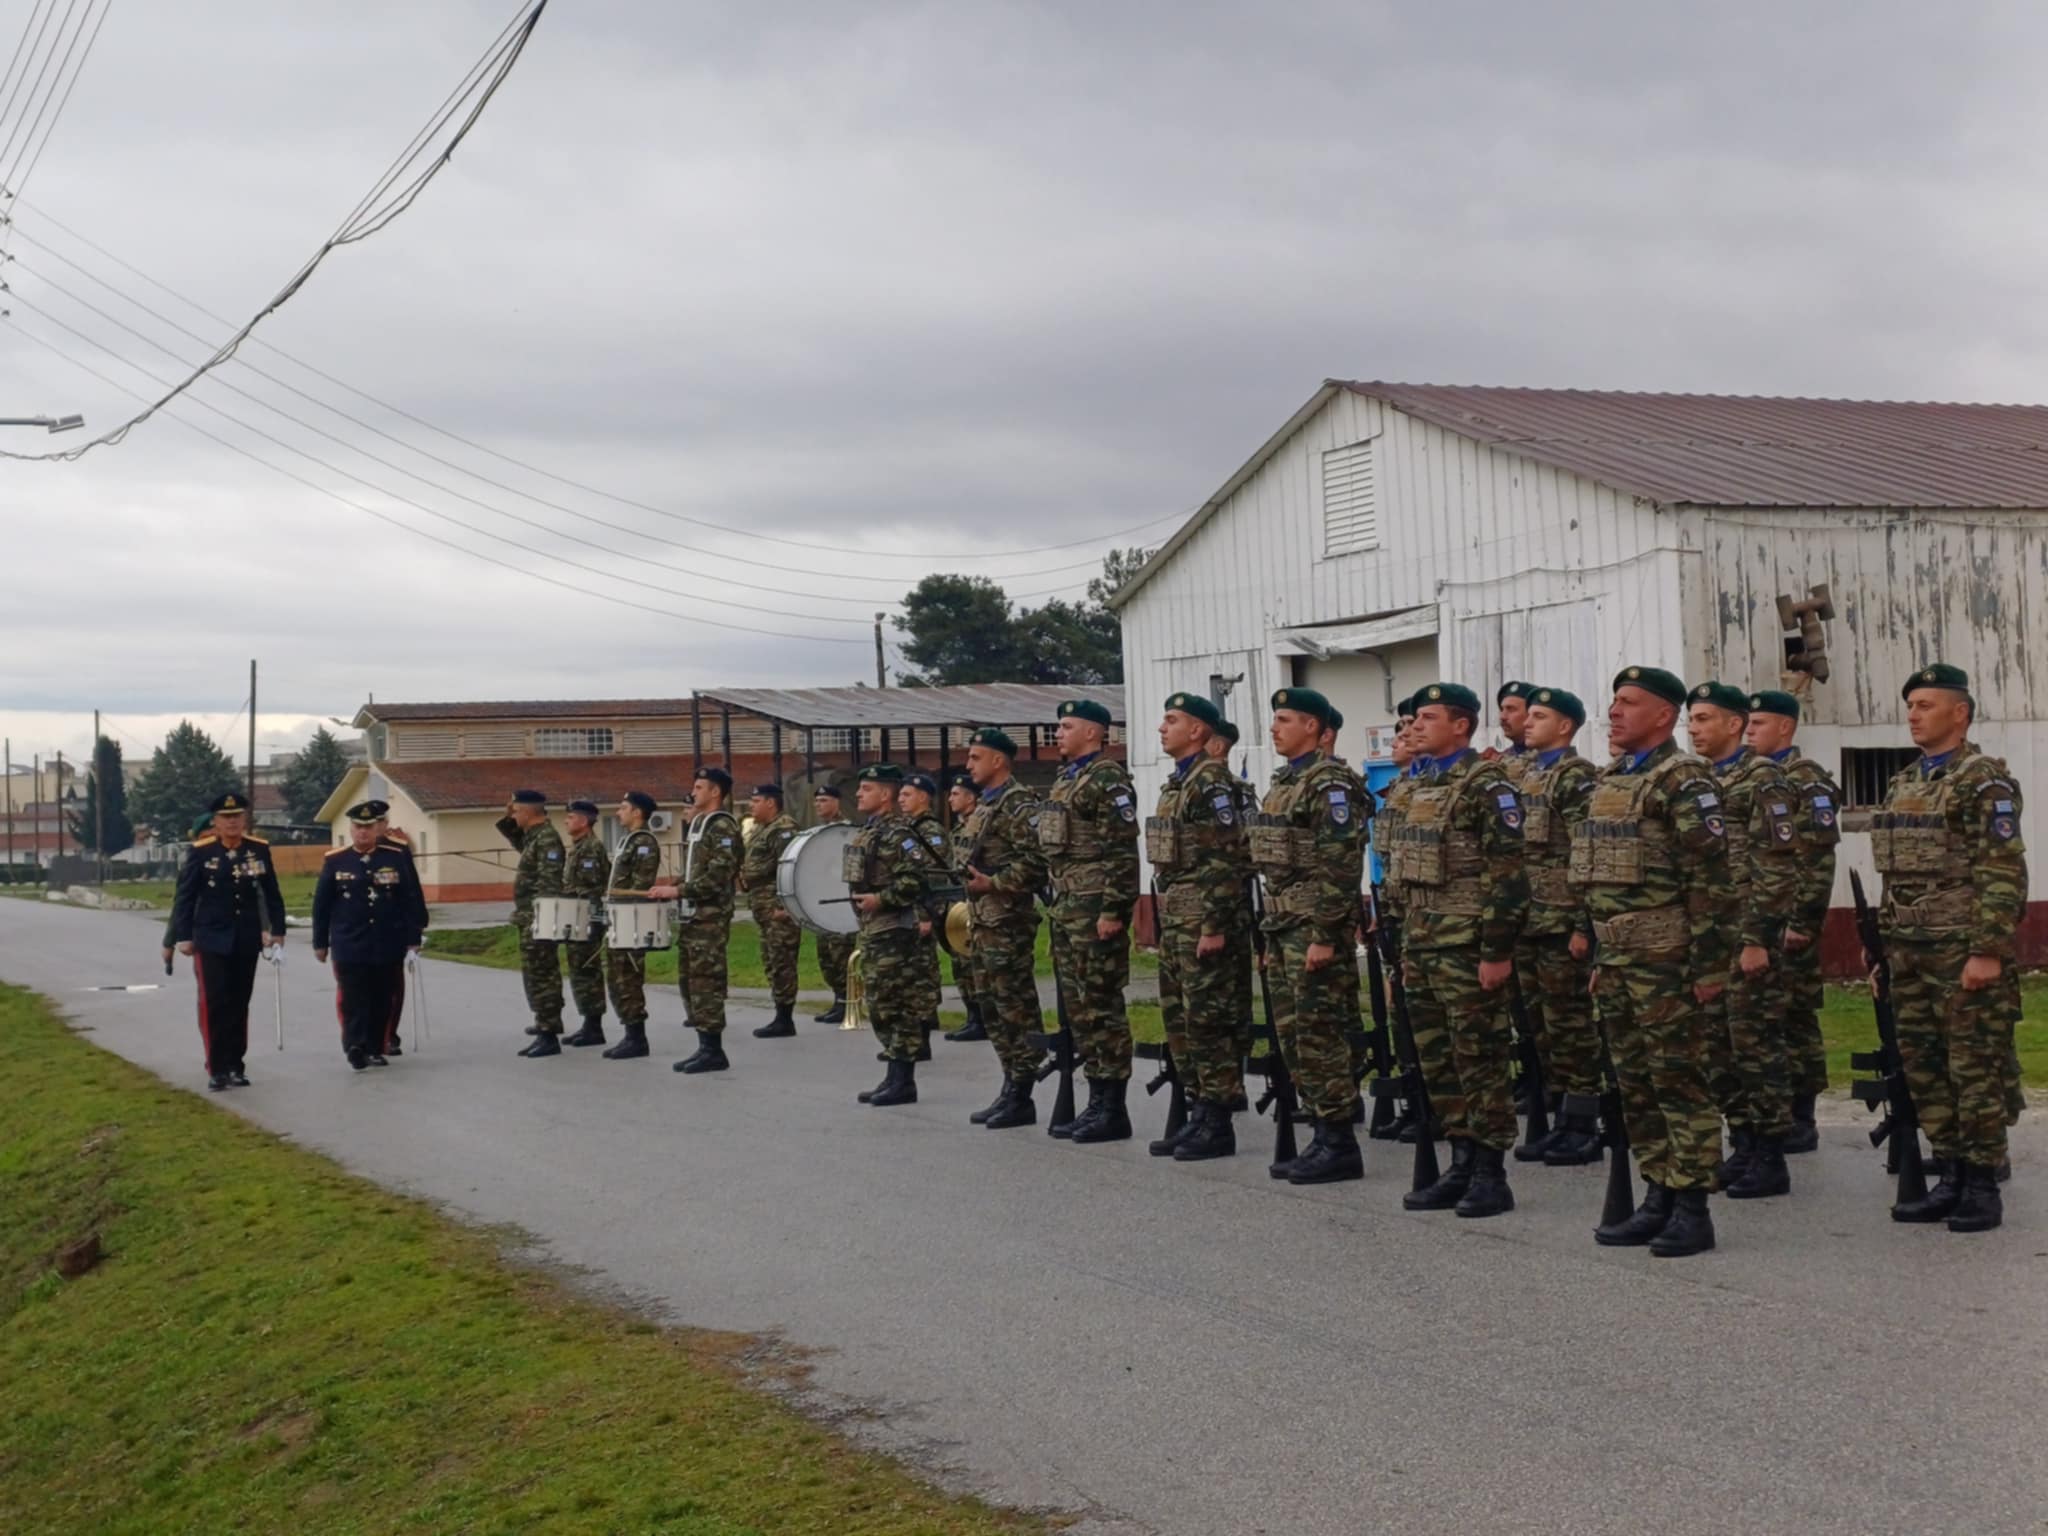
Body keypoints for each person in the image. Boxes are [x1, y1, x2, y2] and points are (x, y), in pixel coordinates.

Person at [1576, 666, 1733, 1258]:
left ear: (1664, 715)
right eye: (1614, 701)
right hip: (1620, 960)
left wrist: (1709, 968)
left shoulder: (1682, 779)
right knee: (1636, 1084)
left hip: (1668, 963)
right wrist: (1602, 952)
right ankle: (1658, 1193)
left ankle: (1693, 1208)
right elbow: (1599, 880)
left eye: (1629, 702)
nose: (1614, 711)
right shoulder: (1611, 779)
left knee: (1678, 1081)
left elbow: (1710, 880)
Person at [1871, 664, 2026, 1232]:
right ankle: (1952, 1174)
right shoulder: (1905, 781)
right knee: (1925, 1068)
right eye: (1910, 705)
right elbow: (1895, 875)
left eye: (1926, 705)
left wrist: (1988, 950)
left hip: (1960, 952)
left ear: (1960, 714)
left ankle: (1982, 1184)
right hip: (1908, 952)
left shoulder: (1982, 781)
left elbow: (2002, 871)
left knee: (1973, 1069)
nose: (1913, 715)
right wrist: (1882, 950)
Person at [1389, 683, 1528, 1218]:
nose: (1416, 726)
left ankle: (1491, 1172)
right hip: (1423, 942)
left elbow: (1507, 875)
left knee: (1479, 1057)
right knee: (1438, 1058)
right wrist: (1406, 946)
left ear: (1461, 726)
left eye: (1428, 717)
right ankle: (1461, 1159)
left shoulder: (1486, 785)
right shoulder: (1419, 786)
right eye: (1415, 718)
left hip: (1467, 946)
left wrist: (1496, 951)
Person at [1687, 682, 1800, 1200]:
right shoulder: (1696, 780)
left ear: (1734, 725)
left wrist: (1758, 938)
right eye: (1691, 719)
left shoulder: (1763, 779)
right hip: (1707, 938)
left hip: (1745, 934)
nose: (1694, 729)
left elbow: (1775, 867)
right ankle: (1744, 1141)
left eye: (1704, 718)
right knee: (1717, 1048)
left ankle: (1771, 1154)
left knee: (1755, 1046)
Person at [1253, 688, 1370, 1183]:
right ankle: (1321, 1129)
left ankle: (1339, 1140)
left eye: (1285, 719)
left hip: (1312, 929)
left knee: (1320, 1033)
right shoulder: (1286, 782)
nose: (1274, 728)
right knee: (1295, 1034)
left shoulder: (1329, 784)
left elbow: (1340, 865)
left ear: (1313, 728)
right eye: (1275, 719)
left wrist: (1324, 934)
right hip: (1284, 927)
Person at [1146, 693, 1252, 1161]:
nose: (1161, 728)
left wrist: (1214, 925)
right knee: (1182, 1020)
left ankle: (1218, 1118)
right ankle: (1199, 1109)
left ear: (1196, 731)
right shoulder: (1179, 782)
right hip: (1178, 919)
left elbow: (1223, 860)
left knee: (1210, 1020)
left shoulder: (1209, 782)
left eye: (1171, 720)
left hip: (1203, 920)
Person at [1039, 698, 1141, 1143]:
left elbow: (1121, 852)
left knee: (1102, 1007)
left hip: (1095, 908)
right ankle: (1096, 1098)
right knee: (1080, 1010)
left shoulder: (1107, 779)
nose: (1058, 733)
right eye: (1058, 726)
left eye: (1066, 726)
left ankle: (1113, 1107)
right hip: (1067, 908)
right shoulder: (1067, 779)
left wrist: (1114, 911)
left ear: (1093, 733)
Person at [1743, 689, 1840, 1151]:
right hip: (1760, 920)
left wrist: (1803, 921)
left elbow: (1818, 859)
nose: (1748, 732)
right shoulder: (1753, 778)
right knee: (1763, 1021)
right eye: (1746, 723)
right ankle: (1770, 1112)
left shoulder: (1807, 780)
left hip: (1790, 924)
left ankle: (1802, 1115)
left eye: (1758, 724)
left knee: (1795, 1017)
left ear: (1785, 727)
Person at [1510, 688, 1604, 1165]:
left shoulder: (1576, 777)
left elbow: (1589, 854)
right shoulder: (1525, 775)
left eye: (1540, 716)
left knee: (1571, 1025)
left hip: (1562, 923)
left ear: (1565, 726)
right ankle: (1559, 1114)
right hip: (1528, 923)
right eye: (1528, 714)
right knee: (1540, 1027)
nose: (1528, 722)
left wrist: (1585, 926)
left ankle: (1583, 1123)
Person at [960, 728, 1050, 1128]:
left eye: (975, 757)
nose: (968, 765)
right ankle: (1010, 1081)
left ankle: (1022, 1091)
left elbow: (1037, 862)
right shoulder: (985, 805)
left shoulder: (1018, 805)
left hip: (1007, 922)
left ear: (998, 761)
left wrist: (994, 883)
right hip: (982, 921)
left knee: (1014, 1005)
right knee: (992, 1007)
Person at [171, 790, 286, 1091]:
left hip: (246, 937)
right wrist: (183, 936)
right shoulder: (201, 852)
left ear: (245, 819)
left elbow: (272, 893)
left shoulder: (257, 849)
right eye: (226, 817)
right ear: (216, 821)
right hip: (210, 938)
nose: (232, 822)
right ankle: (217, 1066)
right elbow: (185, 897)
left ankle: (236, 1064)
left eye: (237, 816)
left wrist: (277, 930)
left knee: (239, 1002)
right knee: (215, 1002)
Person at [313, 800, 428, 1071]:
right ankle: (355, 1045)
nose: (363, 832)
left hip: (386, 939)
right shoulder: (336, 860)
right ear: (351, 830)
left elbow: (409, 898)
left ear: (377, 829)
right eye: (358, 827)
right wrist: (320, 942)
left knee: (382, 996)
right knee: (353, 997)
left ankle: (376, 1047)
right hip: (349, 941)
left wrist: (413, 937)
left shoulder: (394, 857)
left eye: (368, 827)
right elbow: (322, 905)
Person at [848, 764, 938, 1105]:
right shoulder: (869, 831)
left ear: (885, 794)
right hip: (875, 931)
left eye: (866, 788)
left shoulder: (899, 835)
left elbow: (915, 880)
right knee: (880, 1005)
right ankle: (893, 1076)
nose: (858, 794)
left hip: (895, 932)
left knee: (898, 1005)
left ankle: (904, 1081)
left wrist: (881, 899)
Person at [652, 767, 743, 1075]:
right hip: (695, 915)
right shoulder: (702, 825)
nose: (694, 792)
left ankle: (714, 1050)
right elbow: (696, 871)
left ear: (715, 792)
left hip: (711, 916)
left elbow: (718, 876)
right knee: (695, 981)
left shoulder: (722, 826)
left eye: (699, 787)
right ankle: (705, 1046)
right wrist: (672, 886)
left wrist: (678, 890)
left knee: (707, 982)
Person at [496, 789, 568, 1058]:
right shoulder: (534, 836)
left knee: (542, 974)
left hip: (539, 917)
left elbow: (550, 885)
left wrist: (541, 921)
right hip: (529, 916)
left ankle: (549, 1032)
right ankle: (543, 1023)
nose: (513, 816)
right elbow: (517, 838)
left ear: (527, 812)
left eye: (516, 811)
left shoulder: (547, 839)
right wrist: (508, 816)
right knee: (534, 974)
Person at [1205, 717, 1257, 1072]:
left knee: (1228, 998)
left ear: (1217, 746)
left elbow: (1243, 849)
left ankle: (1231, 1072)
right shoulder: (1188, 786)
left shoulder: (1234, 790)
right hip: (1197, 907)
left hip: (1229, 904)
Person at [601, 791, 664, 1060]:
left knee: (627, 977)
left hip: (631, 919)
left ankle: (637, 1037)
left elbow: (640, 886)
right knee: (617, 978)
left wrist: (619, 902)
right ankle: (629, 1032)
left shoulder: (645, 842)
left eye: (623, 807)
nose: (618, 812)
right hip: (619, 917)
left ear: (637, 812)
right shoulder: (628, 840)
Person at [741, 783, 802, 1039]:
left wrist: (784, 907)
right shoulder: (763, 829)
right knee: (771, 961)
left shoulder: (784, 829)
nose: (751, 806)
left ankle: (785, 1019)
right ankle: (780, 1015)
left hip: (778, 911)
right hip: (763, 908)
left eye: (756, 801)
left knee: (782, 962)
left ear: (770, 803)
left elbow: (790, 869)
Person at [898, 771, 952, 1060]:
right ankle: (915, 1034)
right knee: (910, 973)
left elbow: (931, 876)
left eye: (907, 794)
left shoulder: (930, 830)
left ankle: (923, 1036)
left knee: (922, 973)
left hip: (924, 911)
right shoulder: (909, 827)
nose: (900, 800)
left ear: (923, 797)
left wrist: (925, 915)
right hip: (909, 910)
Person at [560, 800, 613, 1048]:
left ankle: (594, 1026)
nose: (566, 821)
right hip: (577, 914)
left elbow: (590, 887)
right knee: (579, 970)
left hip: (587, 916)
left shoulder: (590, 848)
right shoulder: (579, 847)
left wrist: (566, 894)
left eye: (571, 817)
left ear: (583, 821)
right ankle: (588, 1024)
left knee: (587, 971)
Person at [372, 812, 421, 1056]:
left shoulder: (399, 851)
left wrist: (416, 926)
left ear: (385, 824)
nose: (372, 828)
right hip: (361, 931)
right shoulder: (350, 854)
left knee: (392, 986)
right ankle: (366, 1035)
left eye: (377, 823)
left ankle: (389, 1035)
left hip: (393, 928)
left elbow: (411, 890)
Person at [810, 782, 855, 1024]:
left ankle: (847, 1001)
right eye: (817, 801)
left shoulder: (845, 831)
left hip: (841, 904)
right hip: (823, 903)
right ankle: (838, 999)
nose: (819, 805)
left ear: (836, 803)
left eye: (824, 800)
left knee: (840, 955)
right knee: (826, 957)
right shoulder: (818, 832)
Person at [1494, 681, 1537, 780]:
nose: (1502, 717)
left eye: (1511, 709)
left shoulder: (1548, 760)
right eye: (1502, 709)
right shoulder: (1500, 760)